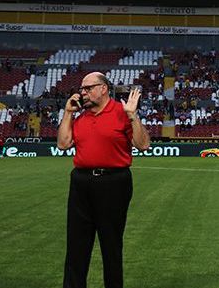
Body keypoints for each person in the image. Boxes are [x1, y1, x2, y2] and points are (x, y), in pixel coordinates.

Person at [57, 72, 150, 288]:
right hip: (81, 183)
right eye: (82, 89)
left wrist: (133, 116)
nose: (83, 93)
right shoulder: (80, 117)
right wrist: (68, 112)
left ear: (103, 88)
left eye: (88, 88)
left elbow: (143, 144)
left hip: (114, 183)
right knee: (76, 247)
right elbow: (63, 144)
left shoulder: (122, 112)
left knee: (111, 247)